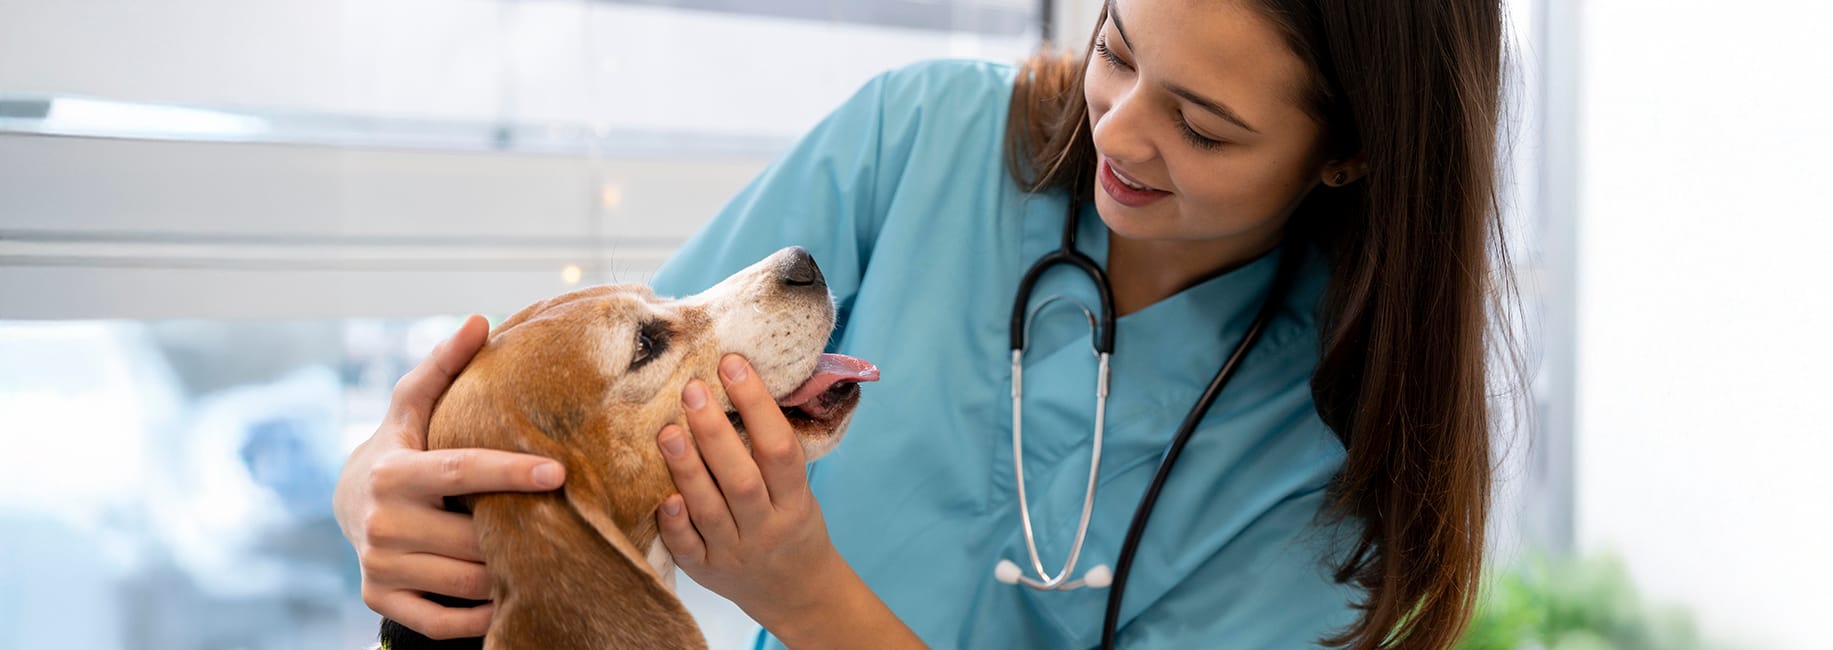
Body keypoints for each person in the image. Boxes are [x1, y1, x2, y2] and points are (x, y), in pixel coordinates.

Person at [333, 0, 1512, 647]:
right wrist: (380, 482)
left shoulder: (1337, 458)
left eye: (1202, 124)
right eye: (1115, 47)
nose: (1118, 131)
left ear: (1352, 152)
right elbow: (587, 402)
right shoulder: (925, 137)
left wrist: (803, 593)